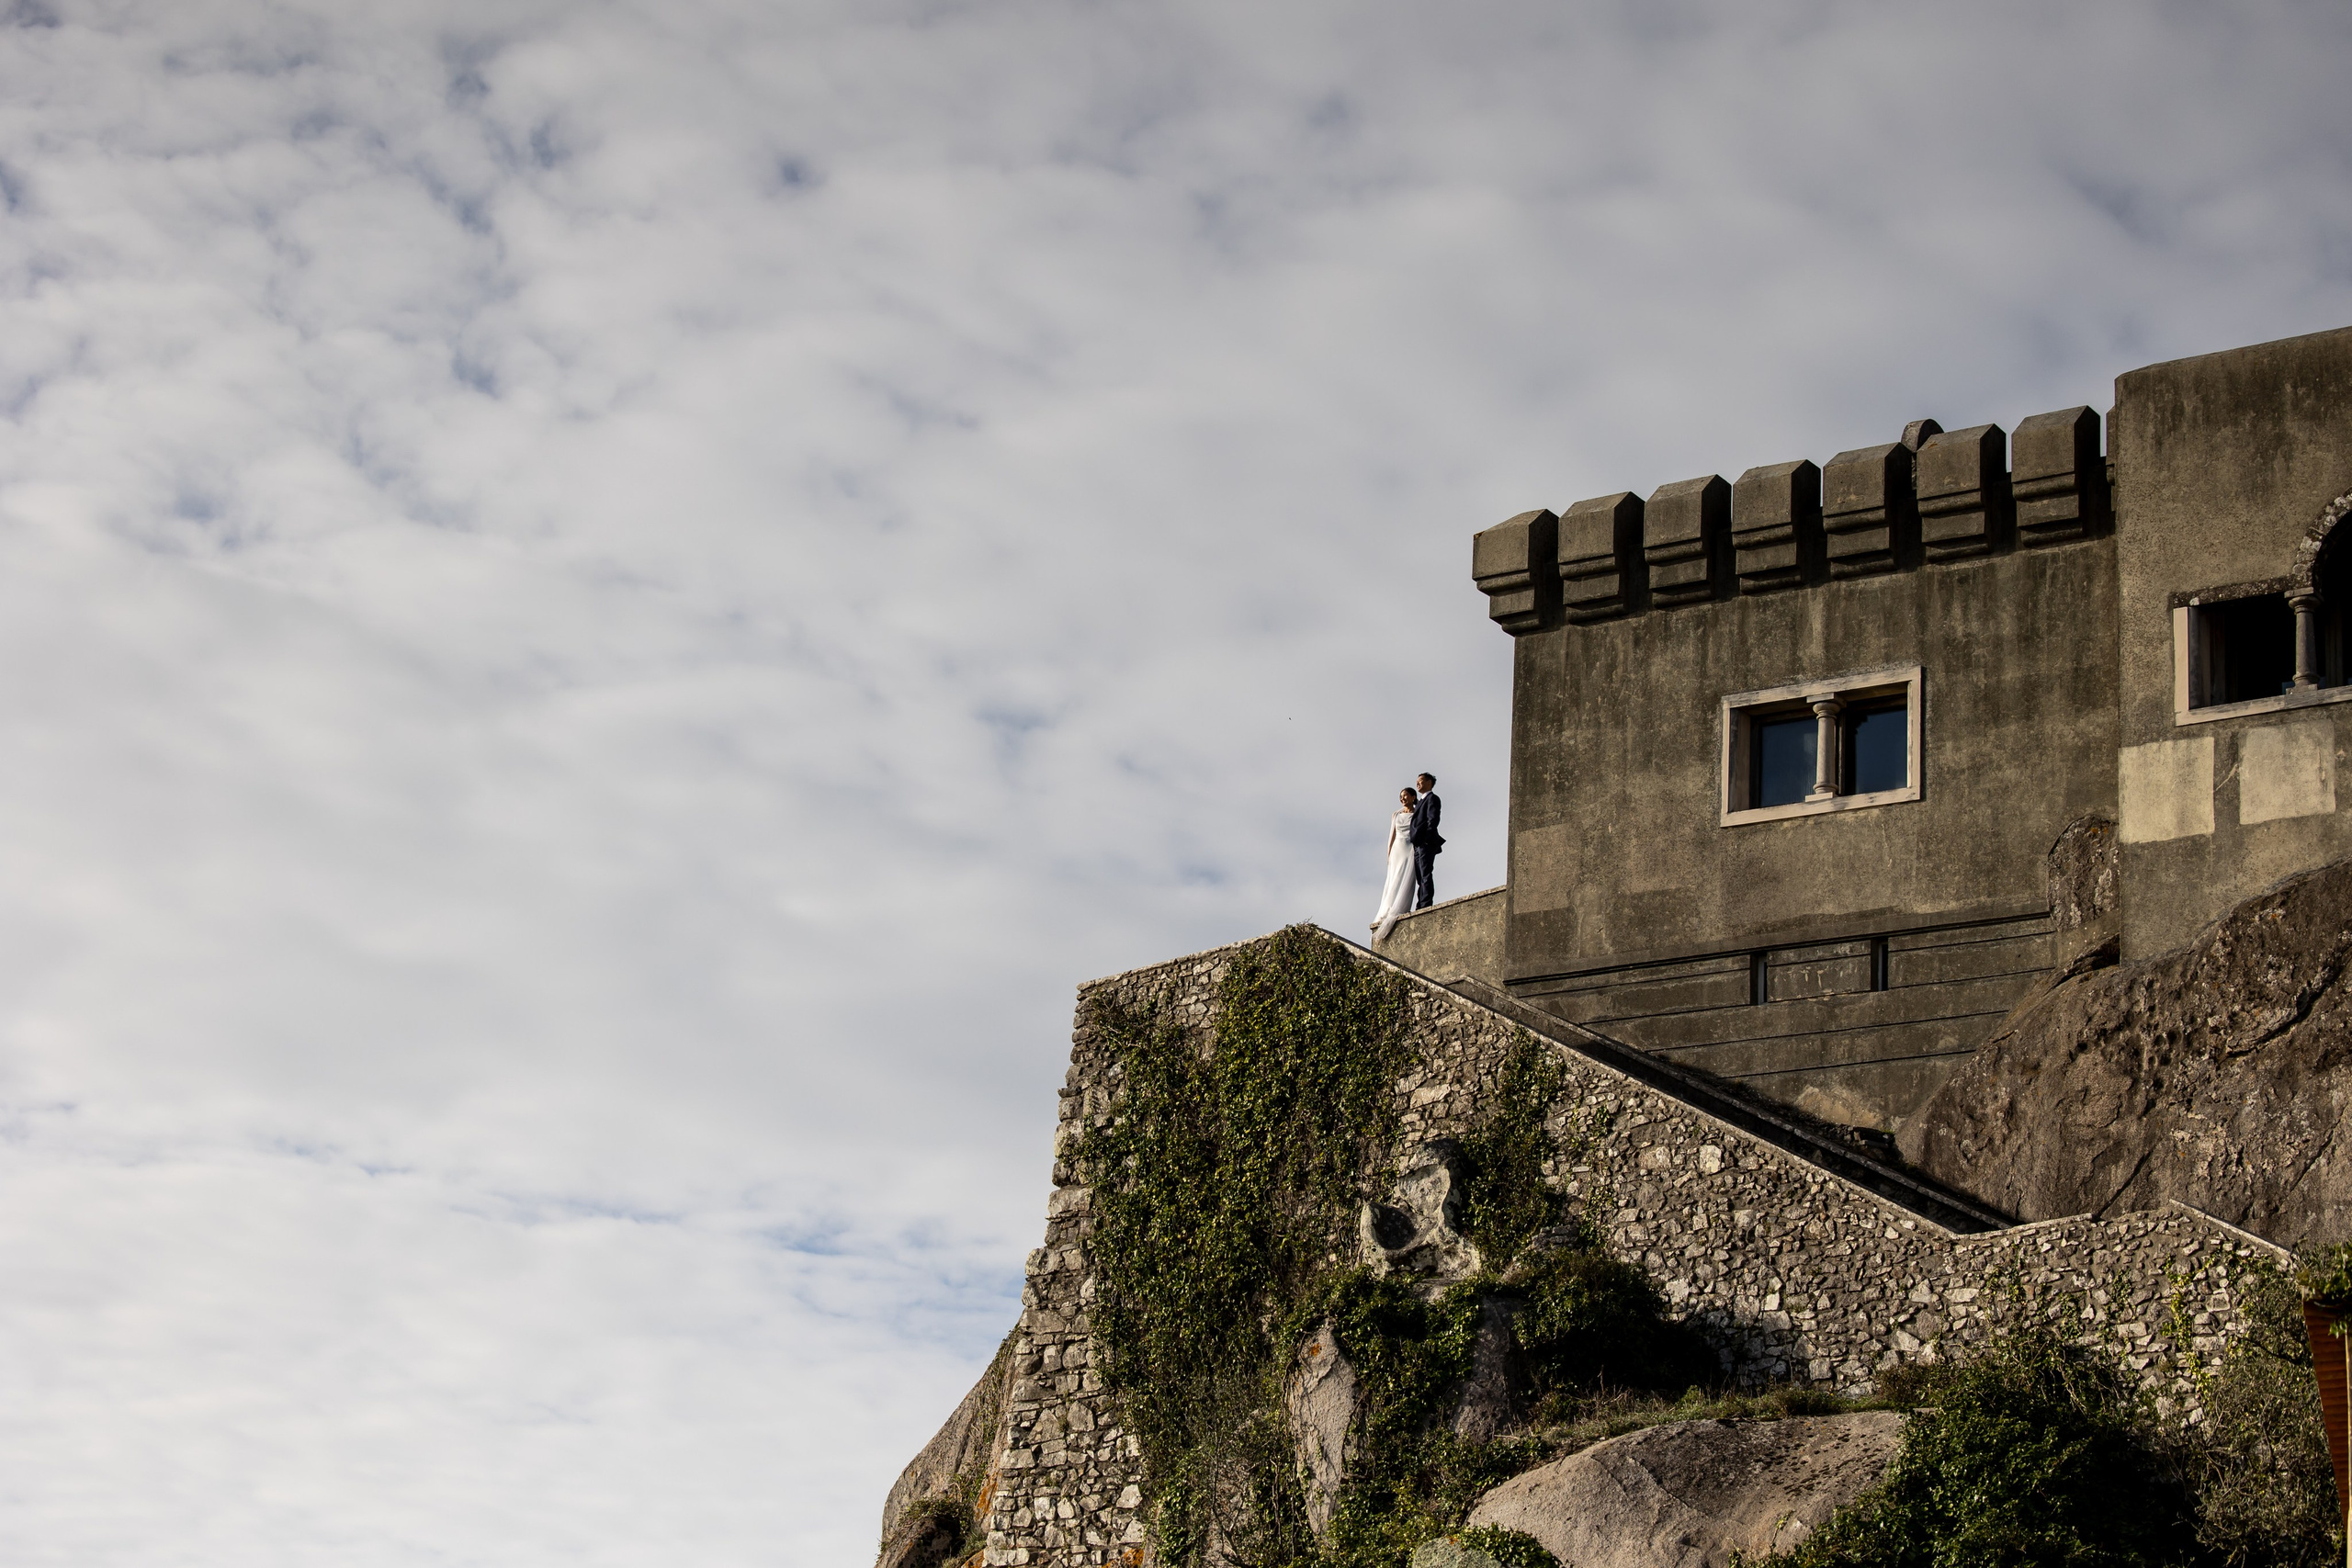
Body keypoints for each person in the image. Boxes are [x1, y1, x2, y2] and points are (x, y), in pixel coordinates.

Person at [1371, 786, 1419, 942]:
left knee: (1404, 877)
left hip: (1409, 848)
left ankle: (1398, 906)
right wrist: (1389, 853)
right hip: (1397, 848)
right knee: (1393, 878)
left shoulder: (1417, 813)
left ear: (1413, 797)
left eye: (1406, 796)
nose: (1403, 799)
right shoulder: (1396, 814)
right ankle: (1387, 907)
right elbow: (1392, 836)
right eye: (1401, 796)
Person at [1408, 772, 1443, 909]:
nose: (1417, 783)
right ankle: (1420, 904)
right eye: (1417, 781)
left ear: (1429, 782)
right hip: (1417, 845)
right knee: (1420, 876)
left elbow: (1433, 819)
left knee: (1425, 873)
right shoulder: (1421, 801)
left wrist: (1427, 839)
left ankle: (1425, 904)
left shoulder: (1432, 798)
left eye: (1421, 781)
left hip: (1425, 843)